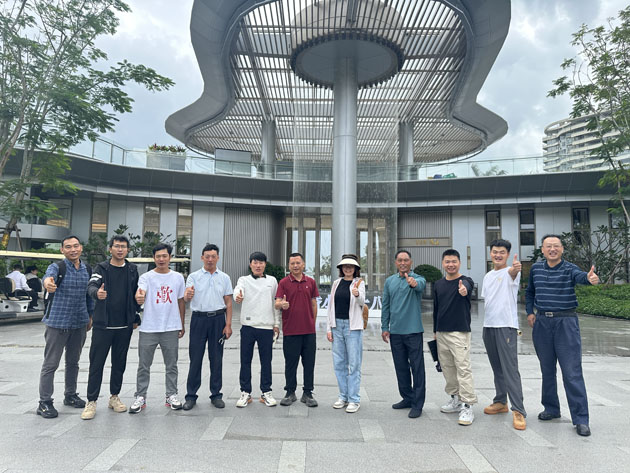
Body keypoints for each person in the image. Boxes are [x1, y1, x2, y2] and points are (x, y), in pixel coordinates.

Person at [526, 234, 599, 437]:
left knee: (572, 371)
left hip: (565, 322)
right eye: (548, 246)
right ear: (542, 249)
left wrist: (589, 278)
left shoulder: (569, 268)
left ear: (562, 249)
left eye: (556, 246)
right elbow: (530, 292)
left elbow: (581, 277)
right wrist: (530, 312)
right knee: (547, 370)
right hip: (542, 323)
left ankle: (581, 419)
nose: (552, 249)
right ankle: (551, 408)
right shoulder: (536, 269)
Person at [81, 235, 141, 420]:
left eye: (123, 246)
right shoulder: (102, 268)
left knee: (119, 364)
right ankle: (91, 401)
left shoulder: (132, 269)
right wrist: (96, 293)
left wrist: (136, 313)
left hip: (124, 326)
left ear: (128, 250)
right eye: (116, 246)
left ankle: (114, 396)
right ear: (110, 249)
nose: (120, 249)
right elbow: (91, 285)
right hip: (103, 326)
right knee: (96, 364)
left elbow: (135, 293)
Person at [37, 235, 94, 418]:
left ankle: (70, 395)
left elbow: (89, 295)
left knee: (73, 362)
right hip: (57, 322)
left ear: (81, 248)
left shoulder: (87, 269)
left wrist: (90, 315)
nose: (73, 250)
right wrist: (48, 284)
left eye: (76, 246)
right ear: (62, 250)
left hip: (79, 322)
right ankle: (44, 402)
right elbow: (48, 278)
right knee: (51, 364)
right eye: (68, 247)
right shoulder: (57, 267)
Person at [129, 243, 185, 414]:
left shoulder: (178, 277)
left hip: (170, 327)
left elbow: (180, 301)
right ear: (153, 258)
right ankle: (140, 396)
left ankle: (171, 395)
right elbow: (140, 292)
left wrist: (181, 324)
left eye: (164, 256)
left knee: (171, 365)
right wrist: (139, 297)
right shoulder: (146, 277)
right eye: (158, 256)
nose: (161, 259)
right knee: (144, 365)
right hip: (149, 327)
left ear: (170, 257)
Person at [481, 239, 526, 430]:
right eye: (495, 251)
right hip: (489, 326)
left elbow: (513, 273)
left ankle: (519, 410)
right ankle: (500, 402)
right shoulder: (488, 276)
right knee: (497, 368)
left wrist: (515, 268)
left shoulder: (510, 273)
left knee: (510, 369)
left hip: (506, 326)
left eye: (502, 252)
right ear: (490, 253)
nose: (497, 255)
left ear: (507, 254)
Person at [182, 243, 233, 410]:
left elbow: (228, 303)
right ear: (202, 258)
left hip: (218, 320)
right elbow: (186, 297)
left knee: (216, 358)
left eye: (213, 256)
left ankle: (216, 395)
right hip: (199, 320)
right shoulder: (193, 277)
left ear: (218, 258)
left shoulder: (224, 277)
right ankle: (191, 395)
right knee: (195, 358)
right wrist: (187, 295)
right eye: (207, 256)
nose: (210, 259)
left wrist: (228, 325)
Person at [381, 250, 426, 419]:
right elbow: (386, 305)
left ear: (411, 262)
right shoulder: (390, 281)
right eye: (400, 260)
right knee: (401, 368)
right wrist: (385, 327)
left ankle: (417, 404)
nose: (403, 263)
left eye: (406, 260)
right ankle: (407, 397)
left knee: (417, 368)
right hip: (396, 332)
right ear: (395, 262)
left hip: (413, 331)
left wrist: (413, 283)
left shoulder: (418, 278)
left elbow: (419, 285)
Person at [433, 248, 476, 426]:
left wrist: (464, 289)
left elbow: (467, 287)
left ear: (459, 263)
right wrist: (435, 332)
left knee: (463, 369)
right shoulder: (438, 284)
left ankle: (467, 405)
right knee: (448, 369)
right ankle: (455, 398)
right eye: (447, 262)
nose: (450, 265)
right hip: (441, 332)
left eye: (454, 262)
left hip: (459, 332)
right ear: (443, 263)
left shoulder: (466, 281)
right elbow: (436, 309)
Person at [233, 251, 280, 408]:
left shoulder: (272, 281)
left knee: (266, 361)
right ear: (250, 264)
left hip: (266, 327)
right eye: (255, 262)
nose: (258, 265)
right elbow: (238, 290)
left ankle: (266, 392)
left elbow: (276, 303)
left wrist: (276, 324)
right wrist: (237, 296)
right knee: (245, 361)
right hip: (248, 327)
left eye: (261, 263)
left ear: (265, 264)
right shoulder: (244, 280)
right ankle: (245, 392)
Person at [275, 252, 319, 407]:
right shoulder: (283, 283)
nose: (295, 266)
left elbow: (314, 304)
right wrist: (281, 304)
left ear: (303, 264)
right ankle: (290, 392)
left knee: (309, 364)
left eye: (298, 263)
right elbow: (277, 303)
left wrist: (312, 323)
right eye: (292, 263)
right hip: (291, 331)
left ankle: (308, 393)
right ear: (289, 265)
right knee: (290, 364)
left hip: (309, 332)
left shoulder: (311, 282)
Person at [327, 254, 365, 413]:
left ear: (355, 269)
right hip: (337, 326)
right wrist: (329, 328)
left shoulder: (359, 283)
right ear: (341, 269)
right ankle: (343, 396)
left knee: (354, 364)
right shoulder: (336, 283)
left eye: (351, 266)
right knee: (339, 363)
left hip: (352, 327)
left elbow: (362, 302)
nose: (348, 269)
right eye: (345, 266)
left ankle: (354, 399)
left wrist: (357, 294)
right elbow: (331, 306)